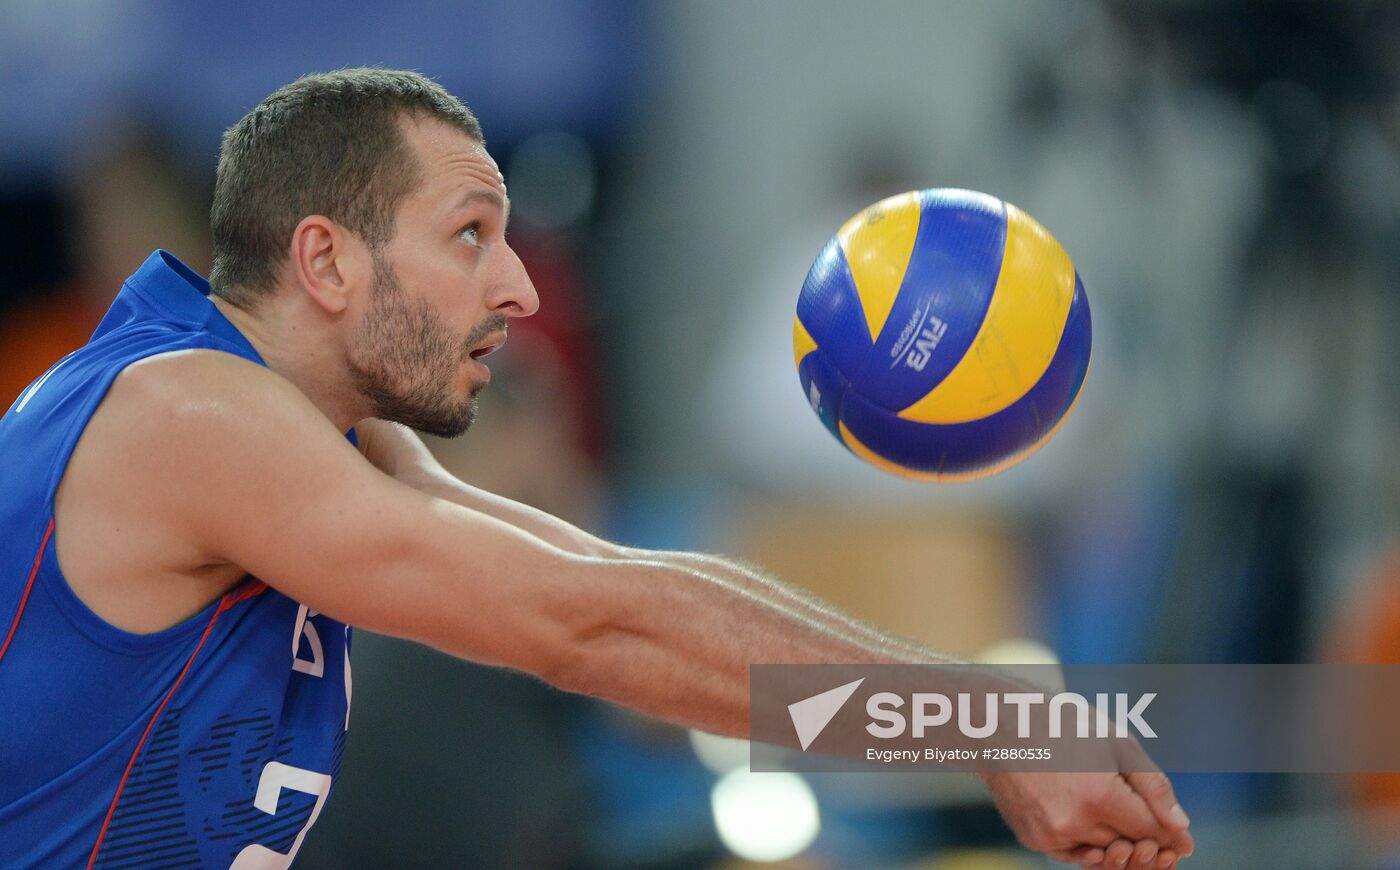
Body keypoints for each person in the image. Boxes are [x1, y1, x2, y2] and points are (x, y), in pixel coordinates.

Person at [0, 68, 1192, 868]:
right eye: (470, 234)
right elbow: (584, 627)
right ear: (326, 261)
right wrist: (972, 721)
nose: (518, 288)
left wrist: (973, 706)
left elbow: (613, 580)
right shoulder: (189, 412)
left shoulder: (329, 430)